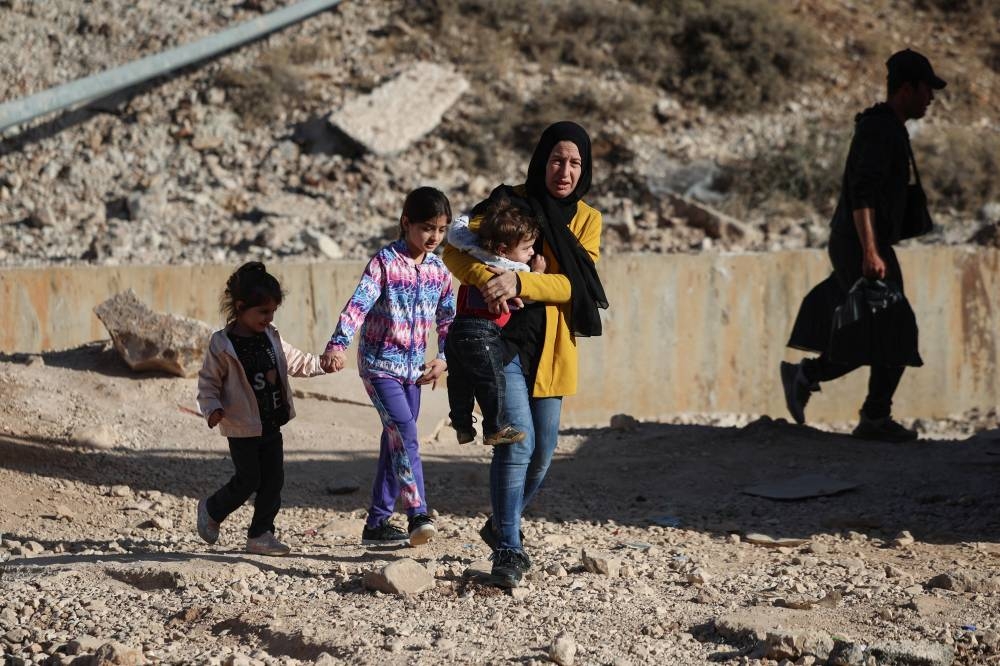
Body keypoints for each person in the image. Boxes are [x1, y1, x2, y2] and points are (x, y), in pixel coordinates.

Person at [443, 121, 608, 587]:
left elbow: (577, 286)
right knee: (517, 443)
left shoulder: (587, 220)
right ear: (541, 160)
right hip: (500, 343)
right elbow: (454, 252)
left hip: (552, 348)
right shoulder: (507, 201)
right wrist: (489, 276)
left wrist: (520, 281)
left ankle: (500, 522)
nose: (565, 170)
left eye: (575, 162)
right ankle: (509, 549)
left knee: (544, 453)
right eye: (558, 159)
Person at [782, 49, 945, 441]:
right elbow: (862, 194)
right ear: (907, 88)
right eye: (927, 89)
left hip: (863, 241)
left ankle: (828, 388)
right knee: (894, 330)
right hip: (860, 243)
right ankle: (865, 412)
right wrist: (871, 251)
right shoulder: (879, 129)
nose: (931, 98)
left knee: (874, 332)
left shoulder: (889, 126)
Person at [321, 186, 456, 547]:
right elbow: (358, 305)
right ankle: (418, 513)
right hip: (380, 366)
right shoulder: (384, 262)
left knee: (394, 440)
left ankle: (378, 523)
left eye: (442, 230)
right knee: (406, 434)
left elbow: (448, 320)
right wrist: (338, 344)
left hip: (414, 371)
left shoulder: (439, 272)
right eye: (427, 227)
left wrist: (443, 358)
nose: (434, 237)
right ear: (406, 222)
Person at [196, 262, 328, 556]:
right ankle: (212, 509)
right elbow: (208, 382)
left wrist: (322, 363)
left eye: (272, 312)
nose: (268, 319)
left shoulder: (272, 336)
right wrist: (212, 408)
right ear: (241, 307)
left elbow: (295, 361)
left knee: (274, 479)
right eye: (263, 312)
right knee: (249, 479)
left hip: (271, 423)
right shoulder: (223, 344)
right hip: (243, 428)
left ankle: (261, 534)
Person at [445, 198, 547, 446]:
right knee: (492, 381)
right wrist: (538, 275)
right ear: (503, 250)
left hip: (456, 332)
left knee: (460, 382)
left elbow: (457, 235)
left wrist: (465, 219)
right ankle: (495, 428)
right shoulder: (513, 271)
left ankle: (462, 426)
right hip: (483, 335)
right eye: (527, 248)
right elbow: (530, 298)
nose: (531, 253)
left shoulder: (474, 253)